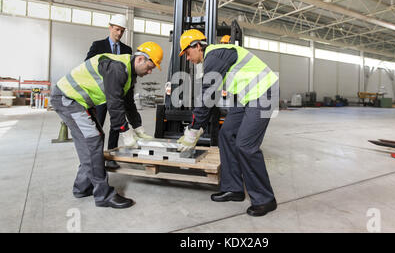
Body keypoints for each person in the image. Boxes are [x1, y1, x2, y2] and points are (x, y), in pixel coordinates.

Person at [176, 29, 278, 217]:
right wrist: (197, 126)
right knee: (226, 134)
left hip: (263, 93)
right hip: (246, 97)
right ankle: (234, 189)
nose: (188, 58)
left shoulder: (214, 55)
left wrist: (194, 129)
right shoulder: (214, 57)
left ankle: (265, 199)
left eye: (188, 53)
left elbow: (207, 95)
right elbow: (210, 95)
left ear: (197, 46)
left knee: (246, 145)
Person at [51, 42, 163, 208]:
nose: (150, 71)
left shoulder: (129, 74)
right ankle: (103, 195)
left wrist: (138, 128)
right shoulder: (118, 68)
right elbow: (114, 104)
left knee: (95, 139)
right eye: (150, 66)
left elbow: (128, 104)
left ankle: (82, 187)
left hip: (78, 102)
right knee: (93, 141)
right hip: (68, 99)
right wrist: (125, 132)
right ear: (140, 59)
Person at [85, 14, 133, 169]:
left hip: (117, 96)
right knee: (97, 126)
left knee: (116, 126)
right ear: (110, 27)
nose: (119, 33)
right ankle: (96, 157)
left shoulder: (127, 50)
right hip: (100, 95)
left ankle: (111, 156)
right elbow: (88, 66)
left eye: (122, 31)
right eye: (117, 29)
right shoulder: (98, 46)